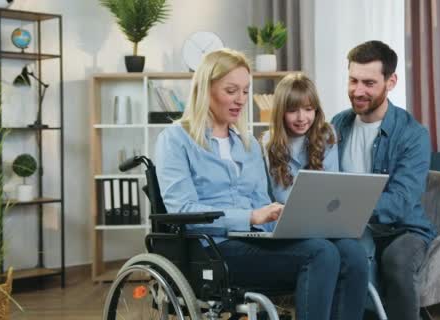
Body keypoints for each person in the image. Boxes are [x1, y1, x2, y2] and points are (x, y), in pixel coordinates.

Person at [155, 48, 365, 320]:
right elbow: (182, 210)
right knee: (320, 254)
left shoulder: (247, 143)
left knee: (351, 252)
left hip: (254, 240)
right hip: (211, 249)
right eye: (231, 91)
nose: (240, 100)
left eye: (245, 91)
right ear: (206, 89)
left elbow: (261, 203)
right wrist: (251, 216)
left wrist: (289, 223)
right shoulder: (175, 139)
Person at [331, 40, 437, 320]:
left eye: (368, 82)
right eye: (353, 80)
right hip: (348, 226)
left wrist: (348, 208)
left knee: (397, 261)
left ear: (391, 82)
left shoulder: (413, 134)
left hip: (403, 229)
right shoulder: (336, 125)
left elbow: (401, 202)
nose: (358, 91)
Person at [261, 73, 368, 320]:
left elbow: (332, 189)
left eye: (308, 109)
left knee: (355, 255)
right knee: (324, 253)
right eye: (293, 110)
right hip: (290, 229)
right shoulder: (268, 145)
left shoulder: (326, 136)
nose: (302, 118)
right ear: (280, 112)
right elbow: (277, 198)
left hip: (323, 225)